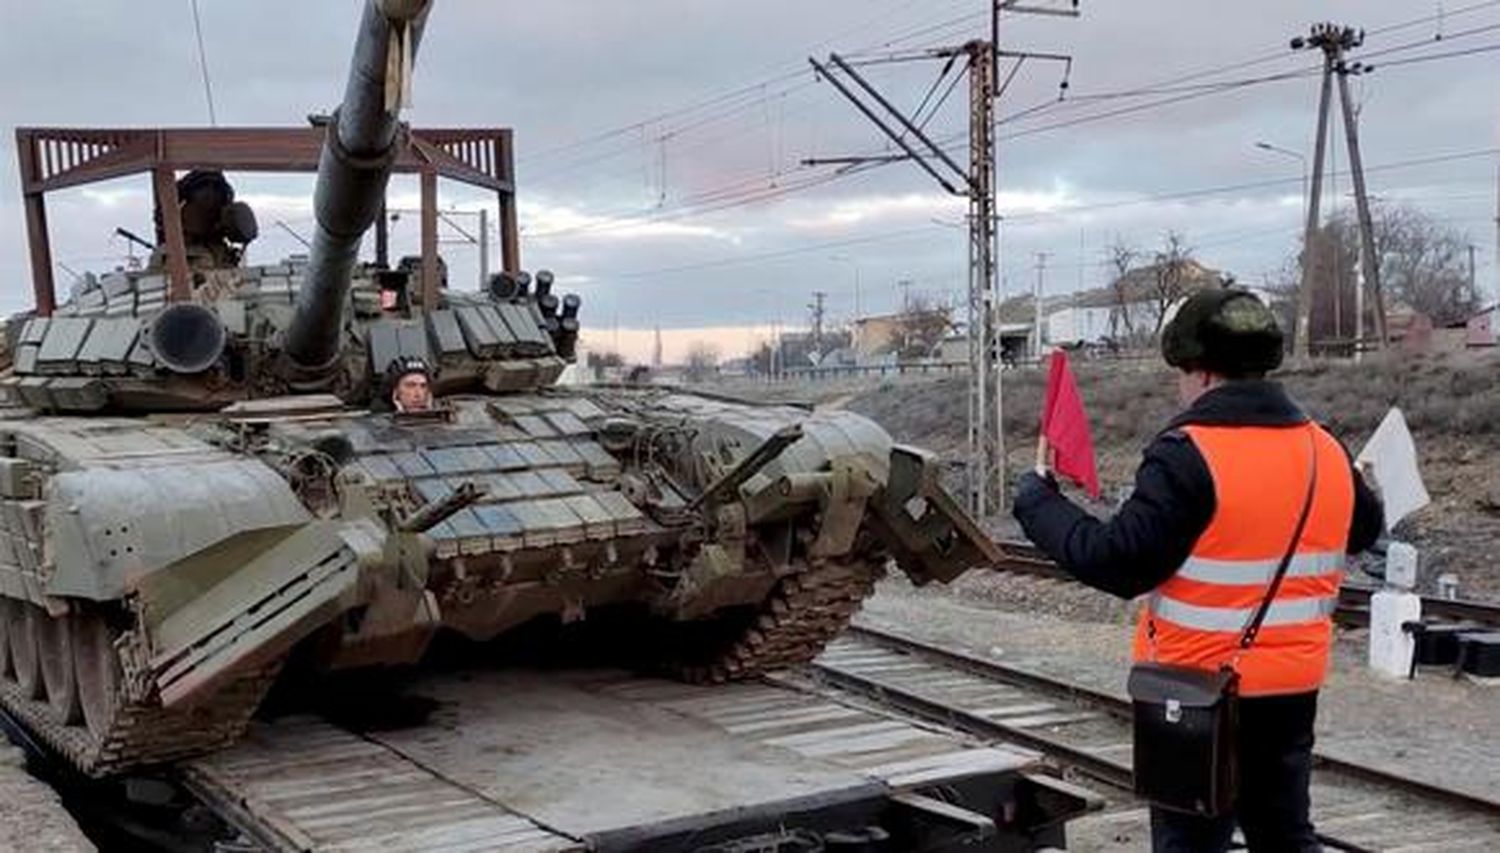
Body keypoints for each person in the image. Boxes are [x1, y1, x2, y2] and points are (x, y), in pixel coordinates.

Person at [1012, 289, 1383, 852]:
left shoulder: (1189, 454)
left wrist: (1039, 502)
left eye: (1181, 373)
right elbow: (1364, 531)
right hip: (1291, 689)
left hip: (1195, 691)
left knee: (1191, 840)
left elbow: (1118, 563)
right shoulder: (1326, 449)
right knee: (1284, 835)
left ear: (1201, 374)